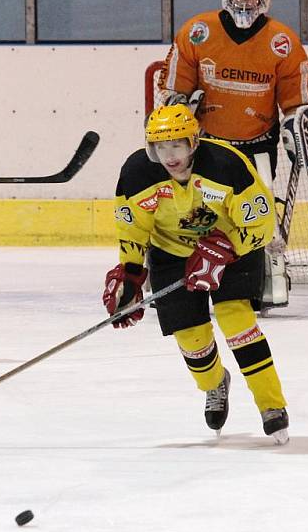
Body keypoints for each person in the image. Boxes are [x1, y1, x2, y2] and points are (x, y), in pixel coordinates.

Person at [102, 104, 290, 444]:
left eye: (176, 145)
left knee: (237, 321)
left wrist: (227, 248)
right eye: (160, 147)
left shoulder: (228, 165)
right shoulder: (137, 175)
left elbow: (262, 227)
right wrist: (130, 275)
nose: (169, 156)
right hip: (171, 253)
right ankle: (215, 383)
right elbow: (132, 231)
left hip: (233, 248)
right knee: (192, 337)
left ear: (193, 142)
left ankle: (271, 406)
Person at [156, 0, 308, 309]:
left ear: (263, 0)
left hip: (257, 143)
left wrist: (296, 131)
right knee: (192, 211)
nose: (245, 3)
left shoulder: (282, 41)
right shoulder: (198, 31)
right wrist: (181, 104)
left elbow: (297, 101)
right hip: (206, 142)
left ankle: (254, 285)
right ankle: (181, 280)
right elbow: (174, 87)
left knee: (255, 215)